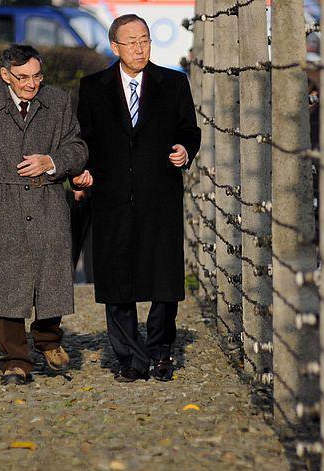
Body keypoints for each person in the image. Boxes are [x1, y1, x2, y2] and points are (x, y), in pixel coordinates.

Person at [0, 44, 87, 386]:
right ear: (6, 75)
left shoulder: (57, 101)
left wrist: (52, 162)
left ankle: (48, 339)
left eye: (37, 75)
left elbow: (77, 146)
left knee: (50, 275)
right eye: (23, 77)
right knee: (6, 283)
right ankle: (15, 358)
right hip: (2, 203)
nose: (31, 84)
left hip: (47, 200)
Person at [74, 14, 201, 383]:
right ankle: (130, 355)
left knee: (163, 278)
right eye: (131, 42)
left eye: (144, 39)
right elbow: (86, 139)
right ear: (115, 47)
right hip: (112, 195)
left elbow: (188, 131)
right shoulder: (93, 87)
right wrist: (83, 171)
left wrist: (184, 150)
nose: (139, 48)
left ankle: (161, 351)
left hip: (159, 193)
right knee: (116, 278)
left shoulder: (173, 83)